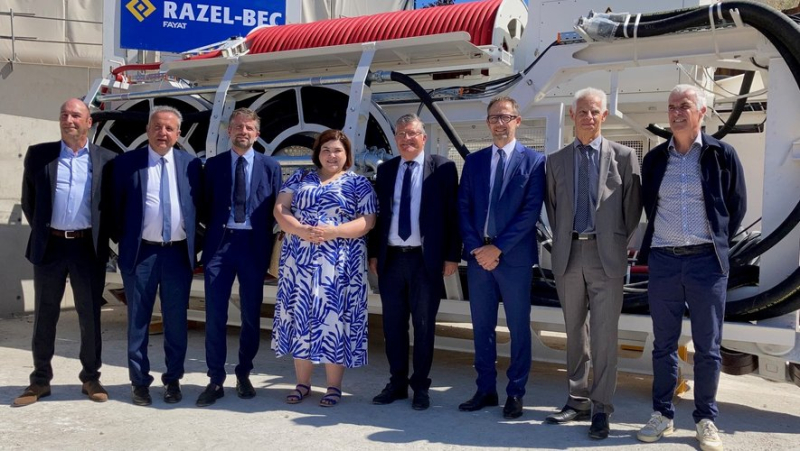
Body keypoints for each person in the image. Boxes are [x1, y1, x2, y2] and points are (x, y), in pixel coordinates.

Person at [636, 84, 746, 451]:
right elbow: (648, 205)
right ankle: (662, 415)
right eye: (671, 107)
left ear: (701, 112)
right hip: (665, 261)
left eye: (684, 106)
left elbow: (734, 206)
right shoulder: (654, 160)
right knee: (663, 344)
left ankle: (706, 419)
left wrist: (714, 242)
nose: (676, 113)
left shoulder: (721, 154)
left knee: (708, 346)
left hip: (706, 263)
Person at [543, 87, 642, 439]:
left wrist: (612, 241)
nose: (588, 117)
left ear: (604, 116)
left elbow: (632, 211)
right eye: (582, 111)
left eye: (594, 111)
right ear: (572, 116)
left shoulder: (624, 157)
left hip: (606, 257)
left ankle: (602, 407)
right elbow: (554, 210)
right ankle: (577, 399)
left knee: (604, 335)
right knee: (573, 333)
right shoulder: (554, 161)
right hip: (569, 255)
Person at [13, 98, 117, 407]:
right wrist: (49, 230)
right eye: (64, 114)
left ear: (89, 123)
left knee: (90, 315)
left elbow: (110, 207)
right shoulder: (39, 155)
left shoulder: (107, 160)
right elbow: (30, 201)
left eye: (75, 115)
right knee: (46, 315)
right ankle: (39, 381)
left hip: (87, 248)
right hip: (51, 246)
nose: (68, 119)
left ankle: (91, 378)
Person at [272, 129, 377, 407]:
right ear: (318, 153)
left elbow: (368, 220)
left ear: (347, 156)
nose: (332, 155)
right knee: (301, 315)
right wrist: (299, 229)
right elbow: (280, 208)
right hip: (300, 260)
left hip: (340, 262)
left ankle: (333, 387)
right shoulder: (300, 177)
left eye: (338, 151)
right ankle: (302, 384)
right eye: (326, 150)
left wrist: (335, 231)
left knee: (334, 320)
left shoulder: (359, 184)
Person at [457, 96, 546, 419]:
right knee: (482, 327)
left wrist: (499, 248)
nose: (499, 123)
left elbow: (529, 212)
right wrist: (476, 248)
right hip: (479, 258)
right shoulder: (475, 162)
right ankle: (485, 389)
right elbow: (463, 208)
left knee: (518, 328)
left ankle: (515, 392)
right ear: (487, 122)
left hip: (514, 258)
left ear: (517, 121)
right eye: (494, 117)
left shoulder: (535, 162)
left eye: (506, 117)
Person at [368, 114, 461, 411]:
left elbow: (452, 215)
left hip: (426, 260)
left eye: (411, 134)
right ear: (395, 139)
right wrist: (373, 253)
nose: (406, 139)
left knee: (423, 325)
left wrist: (451, 256)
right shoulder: (386, 171)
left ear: (423, 137)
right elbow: (379, 215)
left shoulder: (443, 168)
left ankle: (420, 385)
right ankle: (396, 383)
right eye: (400, 134)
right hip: (392, 259)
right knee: (393, 326)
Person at [111, 105, 202, 406]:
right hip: (141, 255)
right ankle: (139, 383)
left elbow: (200, 210)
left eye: (169, 128)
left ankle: (173, 381)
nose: (163, 133)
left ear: (178, 134)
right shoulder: (126, 164)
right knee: (138, 321)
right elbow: (113, 210)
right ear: (148, 130)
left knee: (176, 322)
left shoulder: (191, 165)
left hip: (177, 254)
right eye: (157, 127)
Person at [196, 108, 282, 407]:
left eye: (248, 127)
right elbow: (203, 206)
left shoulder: (271, 166)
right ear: (228, 131)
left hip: (252, 246)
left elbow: (276, 207)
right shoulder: (214, 166)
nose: (242, 131)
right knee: (215, 315)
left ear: (257, 134)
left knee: (250, 314)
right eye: (237, 127)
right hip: (220, 245)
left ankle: (244, 373)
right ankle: (215, 379)